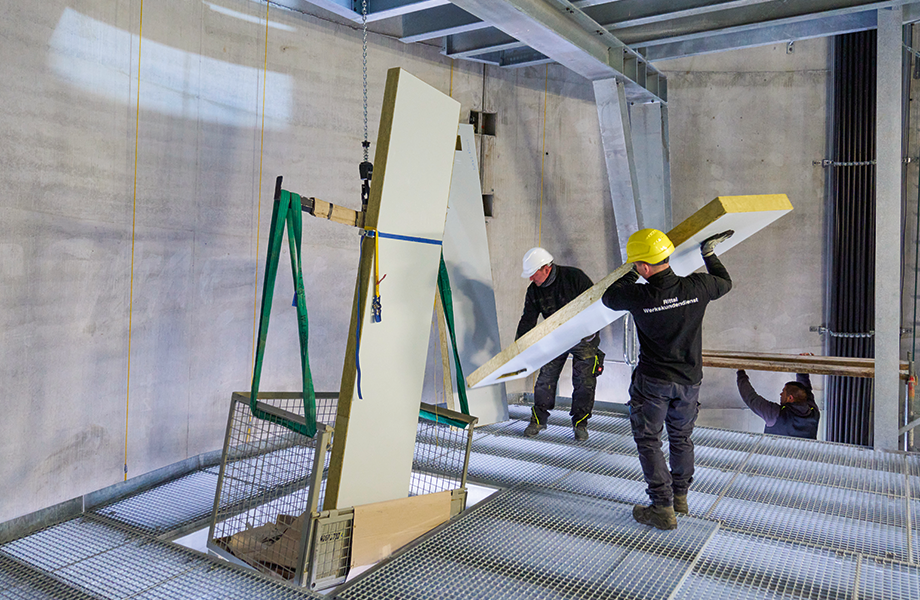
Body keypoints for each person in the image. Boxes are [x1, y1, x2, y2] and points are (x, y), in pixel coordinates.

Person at [601, 228, 733, 530]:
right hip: (689, 381)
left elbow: (609, 297)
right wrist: (708, 254)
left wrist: (631, 273)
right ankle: (680, 498)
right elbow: (725, 282)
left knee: (649, 440)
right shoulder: (697, 286)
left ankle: (662, 507)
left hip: (654, 383)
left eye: (638, 264)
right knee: (681, 438)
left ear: (644, 267)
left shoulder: (638, 295)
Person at [517, 247, 600, 441]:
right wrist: (519, 347)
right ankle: (538, 420)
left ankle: (580, 424)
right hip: (556, 338)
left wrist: (590, 332)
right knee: (545, 378)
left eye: (533, 274)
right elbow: (527, 319)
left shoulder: (574, 278)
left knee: (584, 382)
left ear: (546, 268)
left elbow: (597, 305)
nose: (530, 279)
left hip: (583, 338)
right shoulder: (534, 291)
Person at [736, 369, 820, 439]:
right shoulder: (813, 412)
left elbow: (751, 398)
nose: (781, 394)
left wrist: (741, 372)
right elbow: (806, 392)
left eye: (783, 392)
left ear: (790, 398)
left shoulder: (776, 414)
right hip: (800, 458)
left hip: (775, 457)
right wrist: (802, 369)